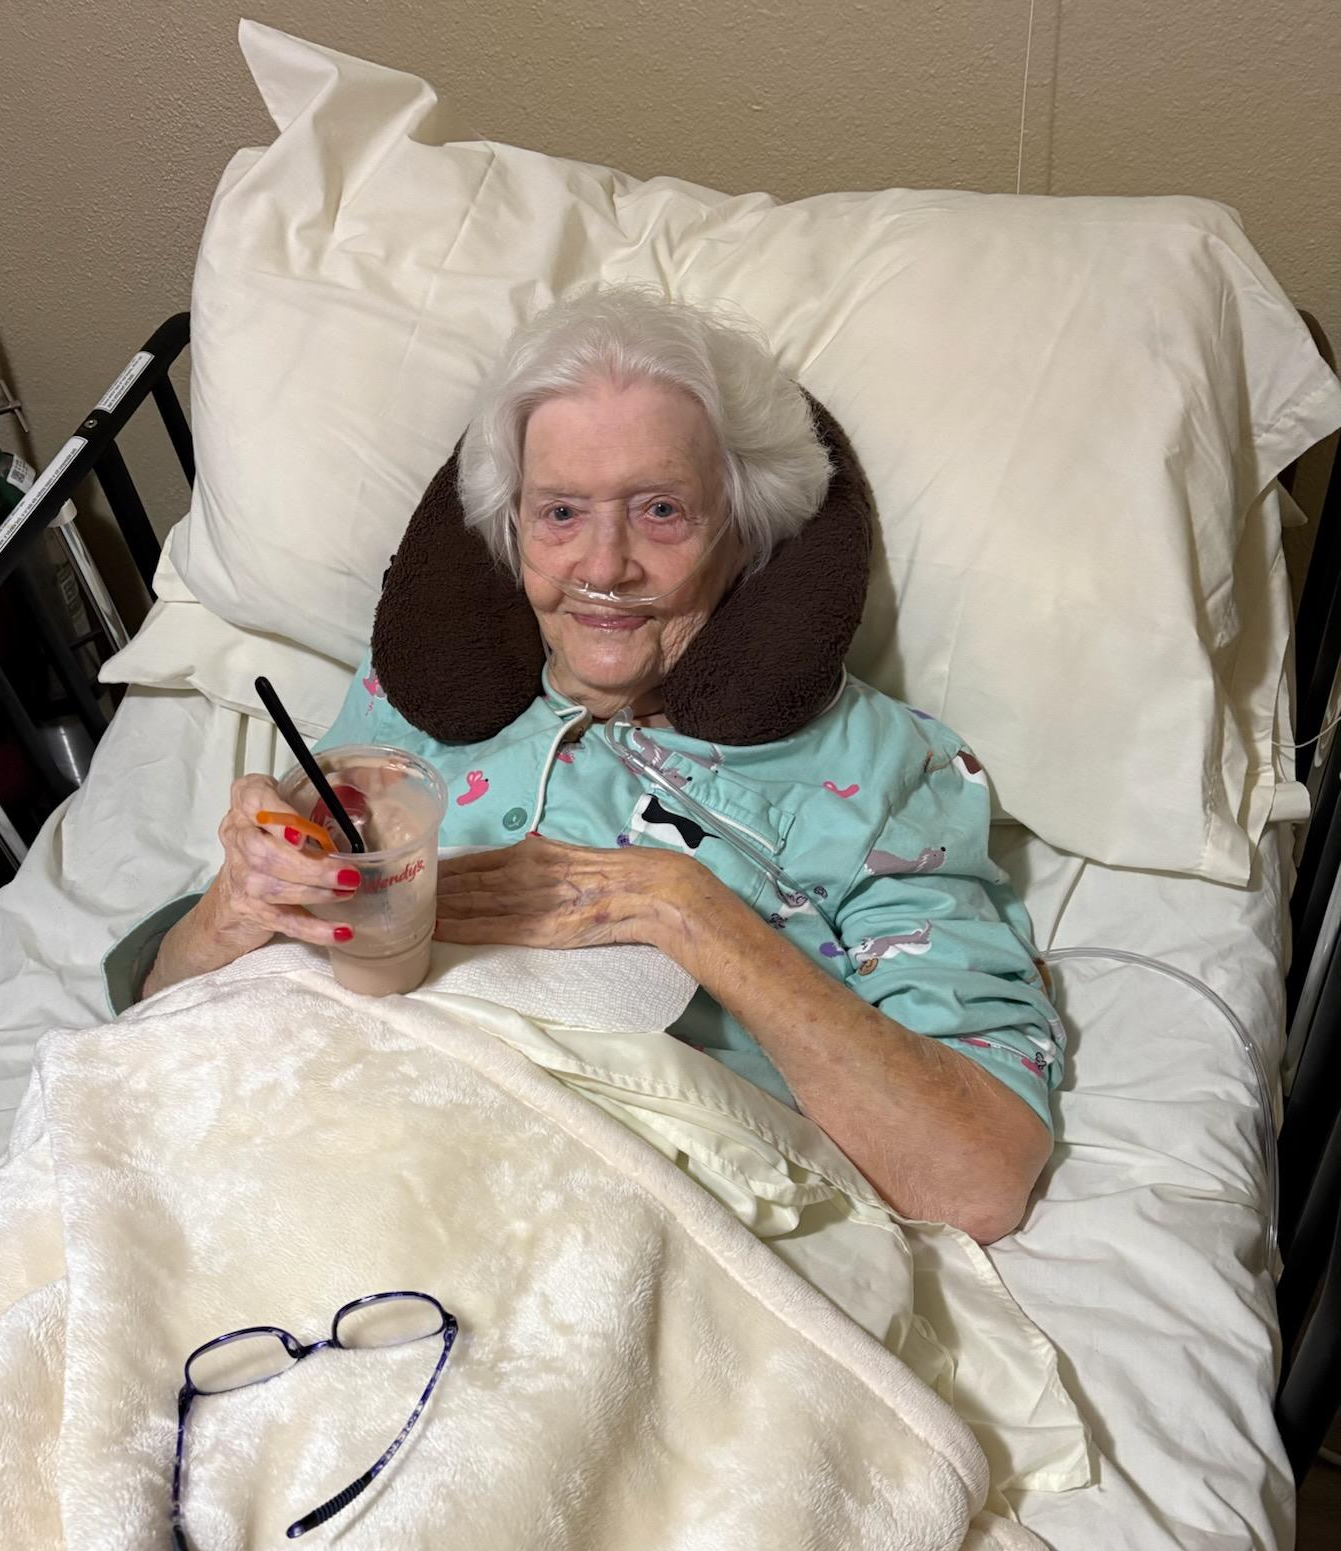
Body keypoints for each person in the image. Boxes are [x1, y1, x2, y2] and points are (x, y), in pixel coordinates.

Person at [121, 289, 1060, 1243]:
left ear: (744, 527)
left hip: (605, 1216)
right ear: (513, 530)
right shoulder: (409, 709)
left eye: (661, 512)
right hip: (310, 1161)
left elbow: (977, 1176)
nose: (603, 567)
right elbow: (164, 1026)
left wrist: (679, 907)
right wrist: (234, 911)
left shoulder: (880, 768)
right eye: (560, 513)